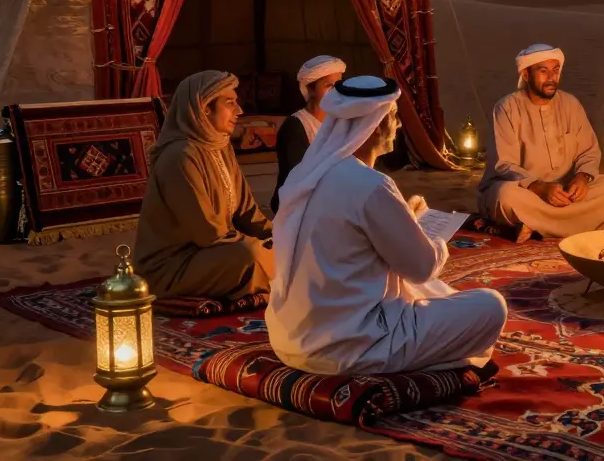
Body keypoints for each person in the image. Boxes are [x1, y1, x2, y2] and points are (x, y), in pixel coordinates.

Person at [266, 76, 507, 375]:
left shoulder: (307, 175)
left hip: (293, 340)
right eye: (393, 117)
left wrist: (405, 217)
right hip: (350, 345)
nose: (399, 126)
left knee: (434, 291)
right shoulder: (371, 184)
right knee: (490, 306)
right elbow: (422, 268)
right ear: (376, 125)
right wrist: (436, 239)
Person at [134, 70, 274, 301]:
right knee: (249, 255)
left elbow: (247, 213)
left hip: (214, 251)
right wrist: (263, 248)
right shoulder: (180, 156)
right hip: (175, 265)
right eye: (229, 103)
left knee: (287, 246)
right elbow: (208, 232)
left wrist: (278, 236)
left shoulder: (221, 146)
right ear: (204, 108)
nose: (239, 111)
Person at [477, 44, 604, 239]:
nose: (552, 78)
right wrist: (540, 188)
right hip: (527, 192)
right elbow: (504, 164)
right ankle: (578, 224)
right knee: (504, 196)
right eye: (543, 71)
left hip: (565, 193)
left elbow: (589, 151)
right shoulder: (507, 108)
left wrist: (582, 177)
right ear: (525, 74)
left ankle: (536, 226)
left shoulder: (570, 104)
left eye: (555, 71)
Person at [272, 55, 346, 212]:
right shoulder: (296, 126)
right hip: (300, 208)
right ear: (311, 89)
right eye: (328, 86)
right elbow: (299, 179)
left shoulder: (341, 122)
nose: (336, 91)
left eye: (338, 85)